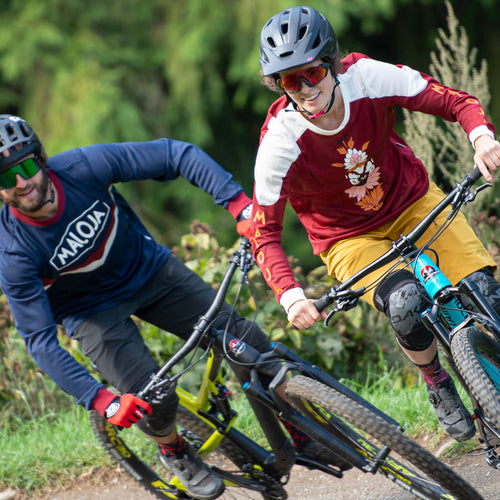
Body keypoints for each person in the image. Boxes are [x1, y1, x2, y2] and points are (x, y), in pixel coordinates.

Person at [0, 114, 350, 500]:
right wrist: (101, 400)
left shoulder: (83, 168)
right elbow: (38, 340)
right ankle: (173, 449)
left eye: (26, 167)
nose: (21, 183)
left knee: (247, 341)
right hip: (91, 313)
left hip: (149, 272)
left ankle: (299, 430)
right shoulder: (13, 252)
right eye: (5, 178)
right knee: (156, 397)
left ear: (42, 159)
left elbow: (174, 154)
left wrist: (239, 206)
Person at [250, 6, 500, 444]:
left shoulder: (366, 77)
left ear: (330, 64)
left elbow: (455, 100)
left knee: (485, 292)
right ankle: (436, 380)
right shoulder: (280, 141)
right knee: (403, 302)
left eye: (311, 72)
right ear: (279, 85)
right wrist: (290, 297)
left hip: (412, 201)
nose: (306, 89)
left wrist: (482, 139)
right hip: (348, 238)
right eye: (291, 80)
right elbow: (264, 231)